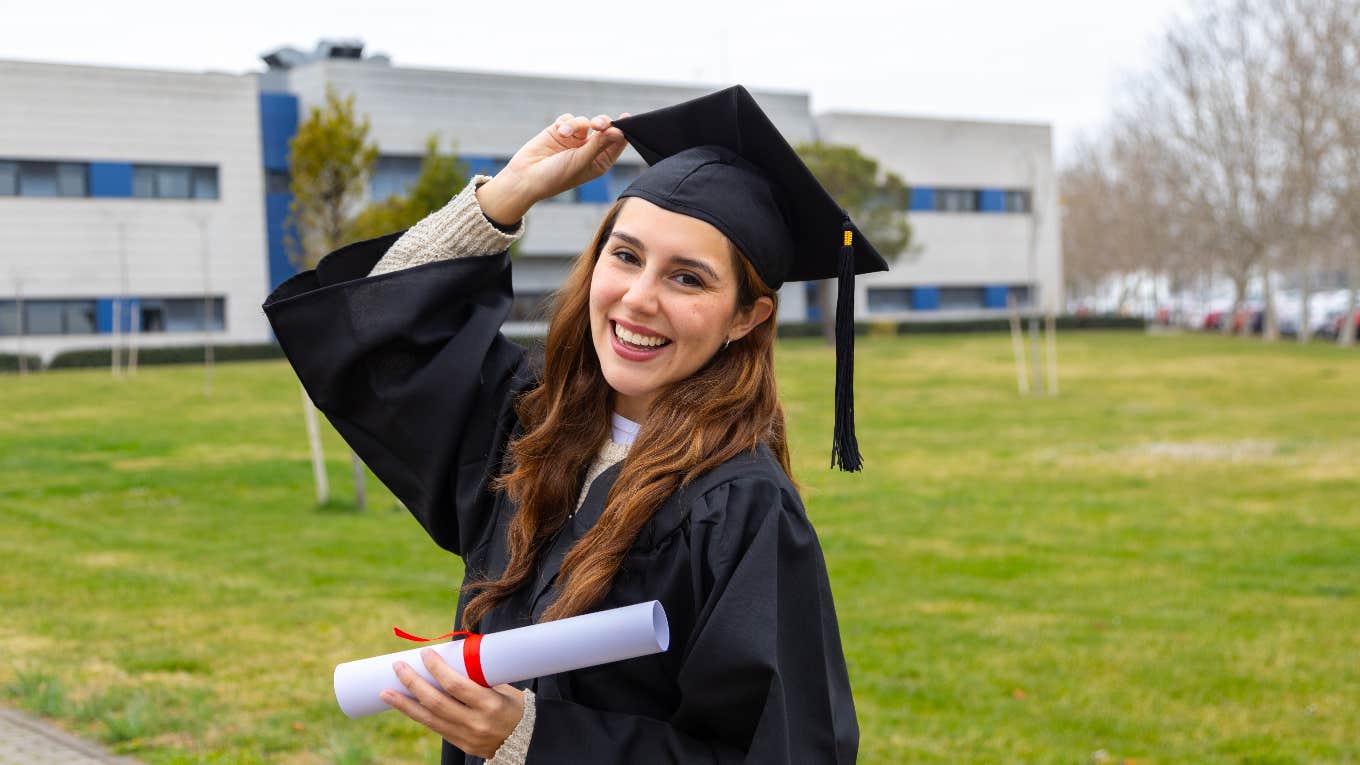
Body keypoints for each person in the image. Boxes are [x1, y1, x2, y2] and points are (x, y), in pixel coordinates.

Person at [263, 86, 887, 764]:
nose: (638, 299)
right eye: (626, 256)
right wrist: (506, 196)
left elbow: (781, 754)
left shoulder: (739, 507)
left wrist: (529, 738)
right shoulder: (530, 425)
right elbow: (379, 336)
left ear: (747, 317)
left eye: (687, 278)